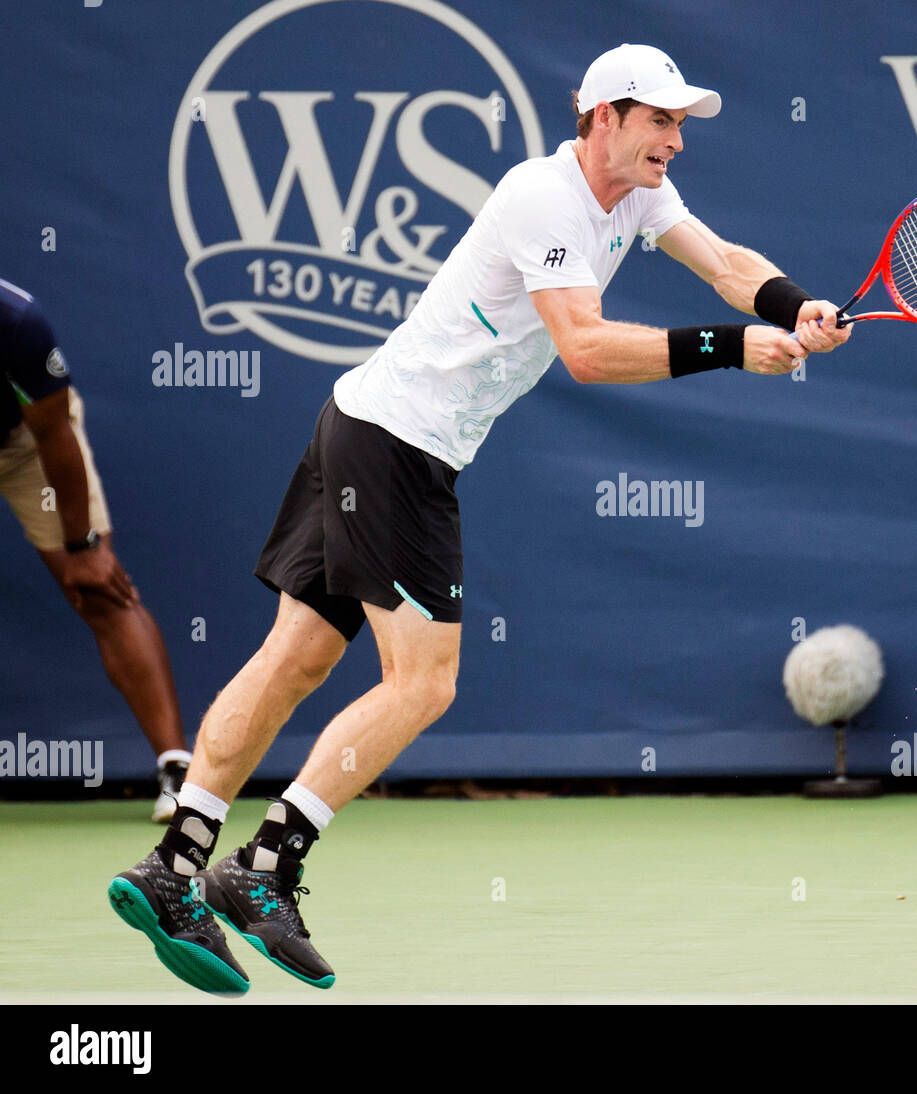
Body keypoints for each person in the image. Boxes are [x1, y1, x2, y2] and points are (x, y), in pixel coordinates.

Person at [107, 43, 853, 994]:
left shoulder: (641, 193)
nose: (674, 138)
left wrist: (795, 305)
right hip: (398, 447)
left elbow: (724, 263)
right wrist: (731, 349)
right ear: (602, 118)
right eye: (658, 118)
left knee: (297, 656)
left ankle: (173, 864)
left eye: (679, 122)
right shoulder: (544, 195)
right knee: (424, 683)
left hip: (357, 422)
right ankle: (265, 867)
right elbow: (583, 348)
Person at [1, 277, 191, 822]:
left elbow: (54, 433)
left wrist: (83, 547)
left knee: (99, 592)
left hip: (22, 447)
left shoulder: (16, 320)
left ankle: (179, 772)